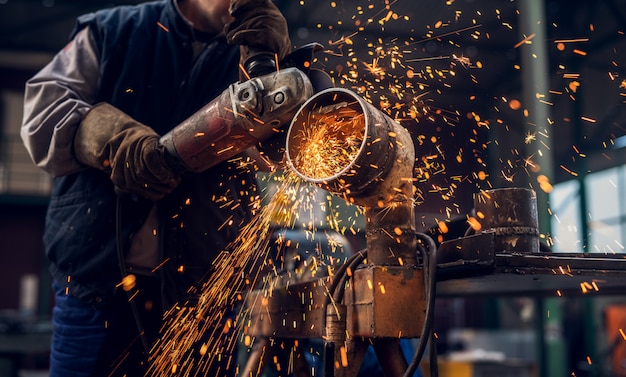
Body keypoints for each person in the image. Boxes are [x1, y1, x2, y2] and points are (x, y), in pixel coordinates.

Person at [20, 0, 292, 375]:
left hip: (203, 296)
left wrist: (279, 65)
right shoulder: (113, 31)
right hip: (96, 286)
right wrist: (111, 140)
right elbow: (42, 115)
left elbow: (295, 151)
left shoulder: (261, 50)